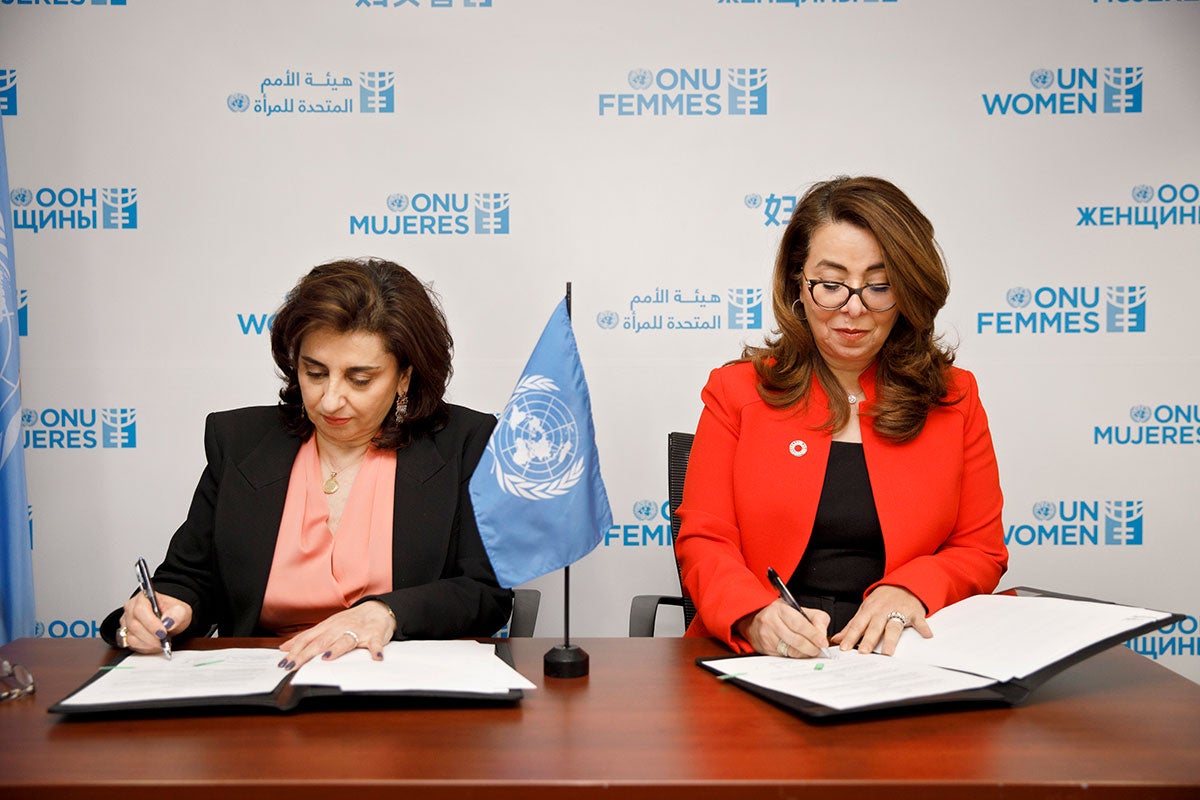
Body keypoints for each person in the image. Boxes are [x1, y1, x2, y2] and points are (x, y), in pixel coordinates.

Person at [101, 258, 511, 669]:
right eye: (315, 373)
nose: (330, 399)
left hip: (397, 683)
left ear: (404, 377)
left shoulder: (463, 443)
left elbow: (485, 594)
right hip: (263, 684)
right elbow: (190, 578)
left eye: (360, 379)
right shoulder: (241, 443)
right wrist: (169, 610)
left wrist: (385, 612)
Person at [675, 176, 1008, 659]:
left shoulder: (956, 398)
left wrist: (911, 590)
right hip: (763, 655)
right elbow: (705, 540)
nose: (853, 309)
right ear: (798, 281)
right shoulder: (737, 391)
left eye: (879, 287)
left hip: (904, 653)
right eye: (830, 285)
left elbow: (981, 550)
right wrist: (754, 616)